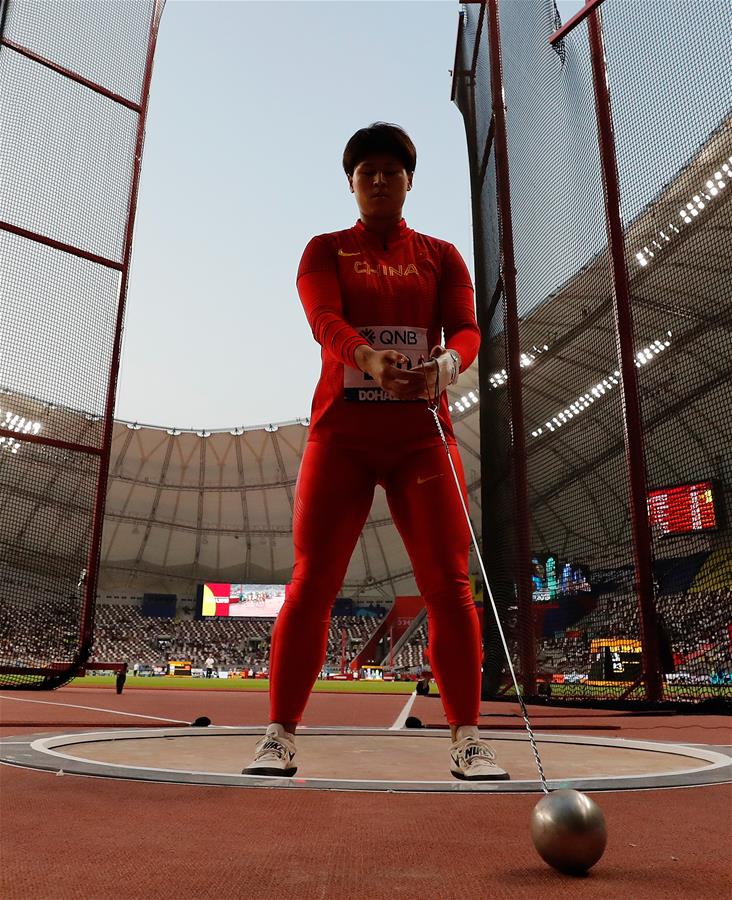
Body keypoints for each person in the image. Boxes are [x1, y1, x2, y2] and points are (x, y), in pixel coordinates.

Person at [244, 123, 508, 781]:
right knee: (312, 583)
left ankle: (468, 740)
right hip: (342, 438)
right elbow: (323, 321)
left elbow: (469, 328)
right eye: (368, 172)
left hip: (422, 438)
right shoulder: (325, 251)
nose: (380, 180)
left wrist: (444, 366)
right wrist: (368, 358)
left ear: (409, 180)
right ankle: (278, 735)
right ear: (352, 183)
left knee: (449, 584)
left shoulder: (441, 255)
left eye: (392, 170)